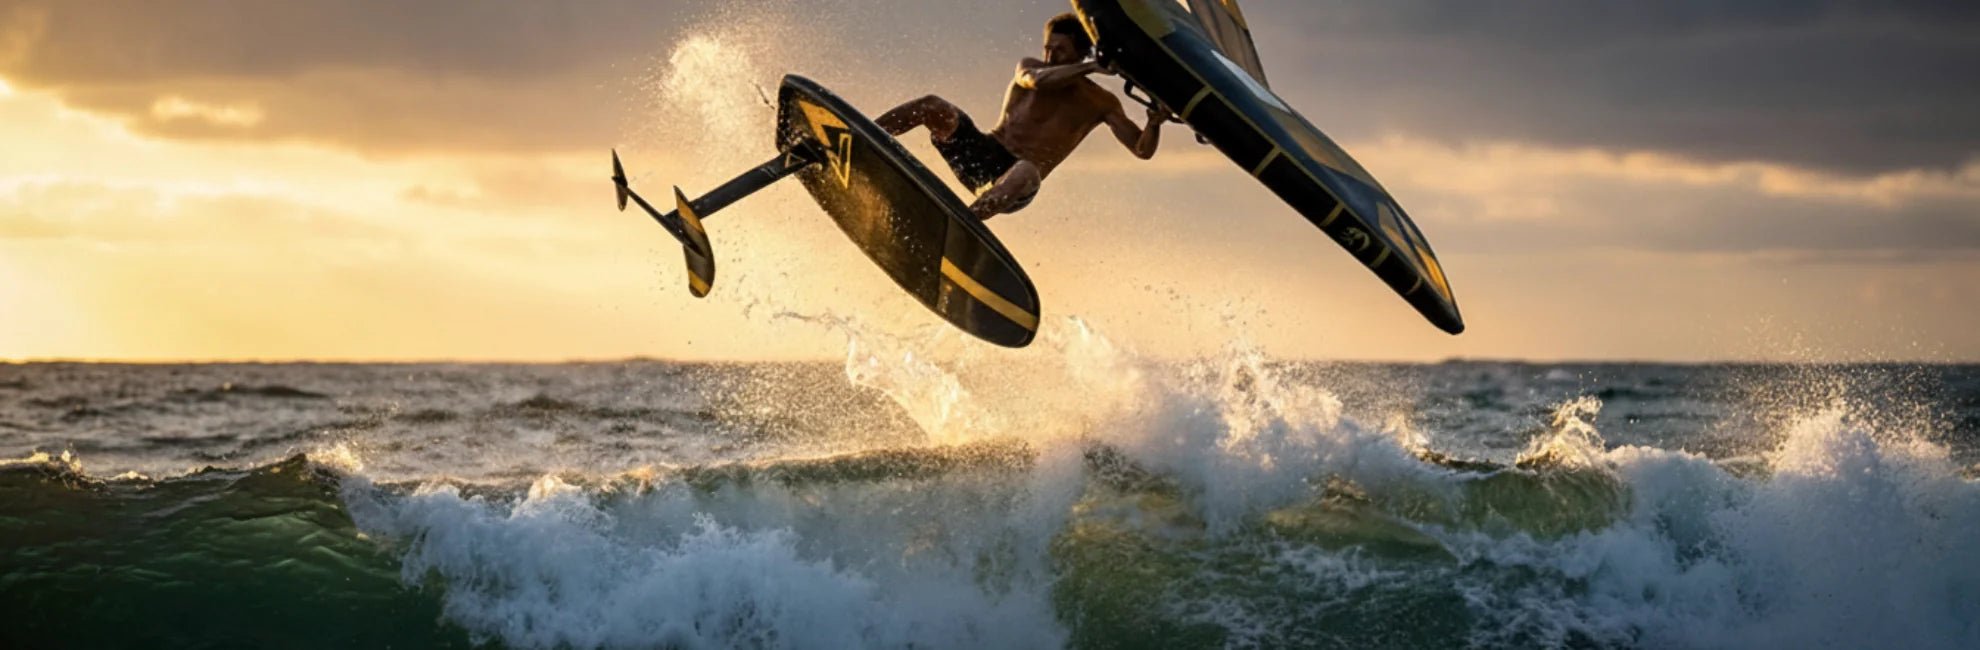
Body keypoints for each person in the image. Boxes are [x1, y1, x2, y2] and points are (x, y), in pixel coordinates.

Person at [876, 12, 1171, 220]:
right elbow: (1037, 81)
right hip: (982, 153)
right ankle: (867, 134)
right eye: (1048, 48)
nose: (1050, 56)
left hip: (1017, 184)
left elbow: (1141, 150)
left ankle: (962, 222)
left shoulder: (1101, 101)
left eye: (1060, 50)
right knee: (932, 105)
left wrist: (1154, 123)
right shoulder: (1031, 67)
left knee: (1027, 170)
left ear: (1080, 52)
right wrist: (1092, 66)